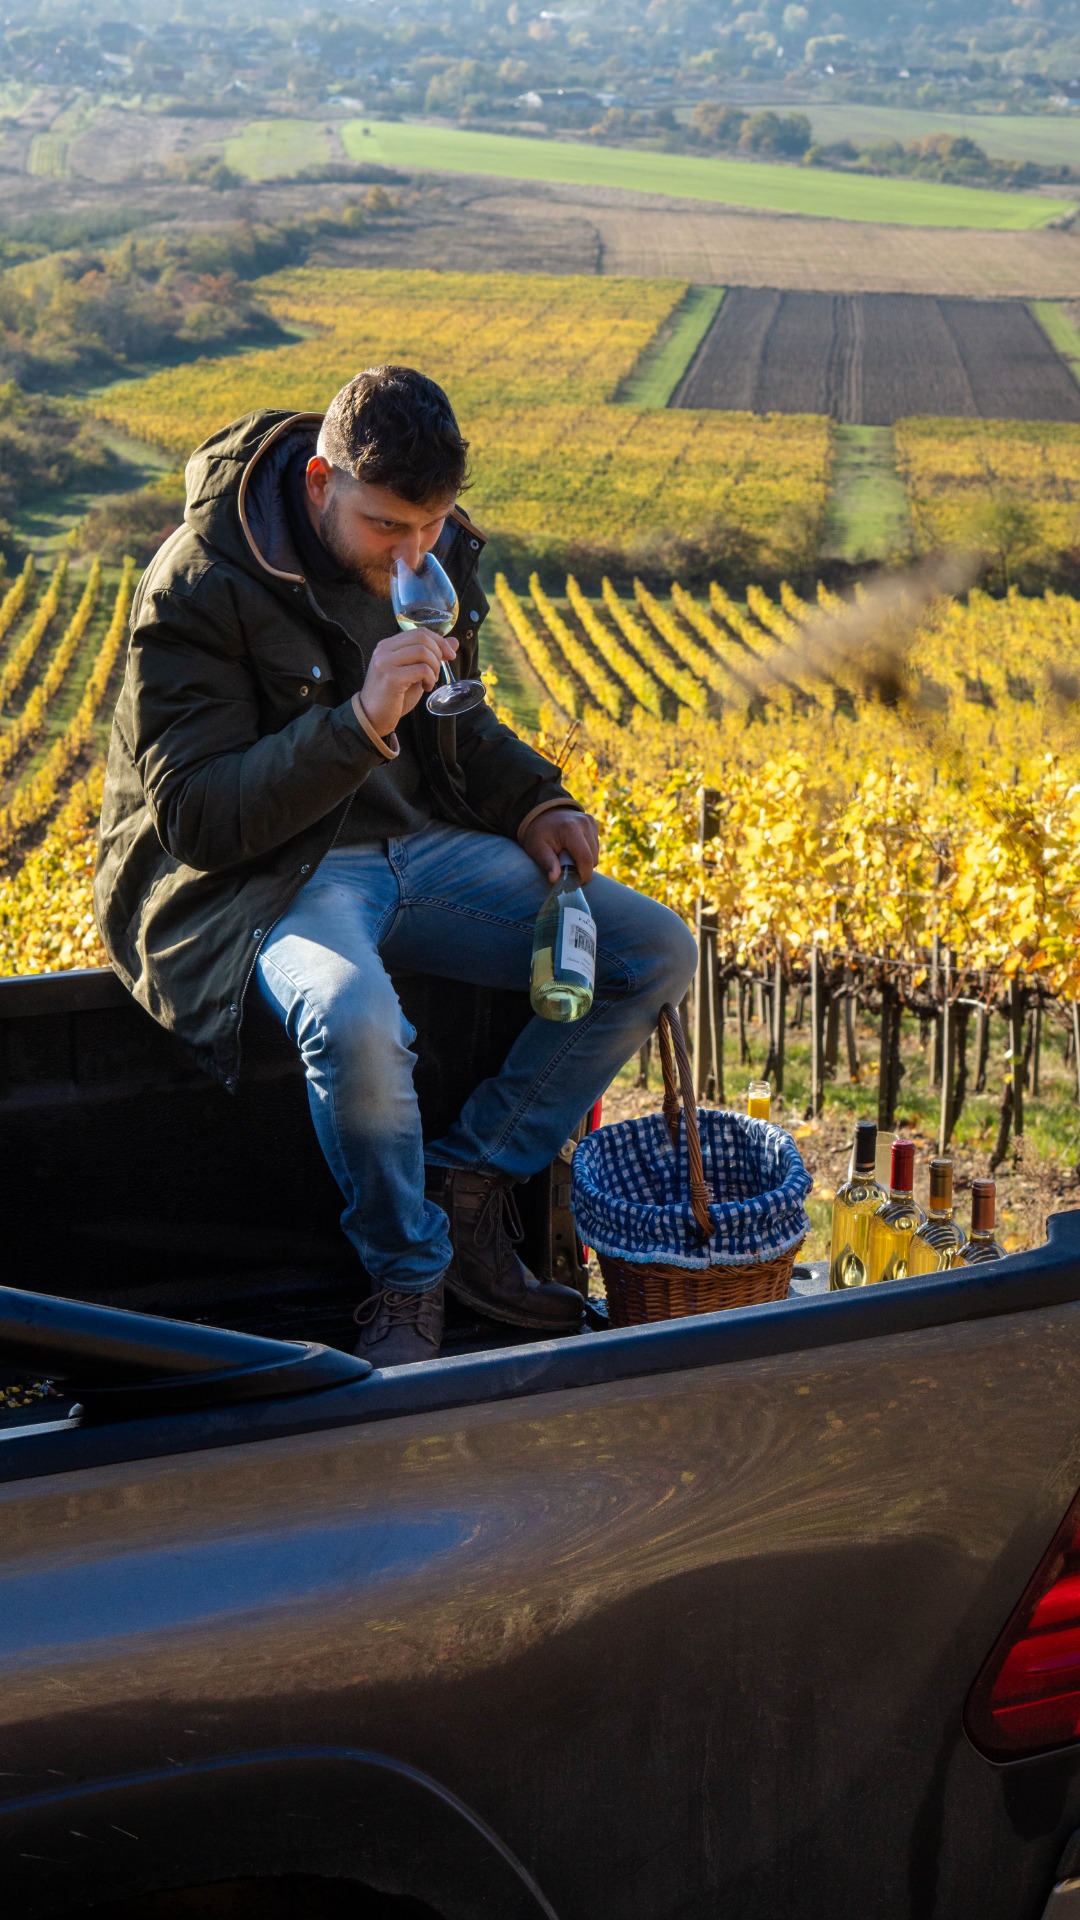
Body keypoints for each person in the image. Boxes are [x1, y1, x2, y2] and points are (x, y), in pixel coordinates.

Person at [95, 366, 697, 1366]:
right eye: (386, 528)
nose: (414, 554)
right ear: (320, 480)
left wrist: (536, 802)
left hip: (418, 850)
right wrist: (359, 721)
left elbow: (459, 720)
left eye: (432, 526)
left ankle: (470, 1185)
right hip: (275, 874)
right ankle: (408, 1273)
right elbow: (198, 819)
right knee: (355, 1020)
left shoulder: (431, 551)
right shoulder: (200, 581)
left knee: (651, 952)